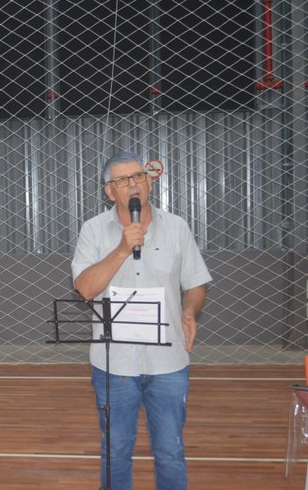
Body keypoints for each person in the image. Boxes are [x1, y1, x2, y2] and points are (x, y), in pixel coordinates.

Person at [71, 152, 212, 490]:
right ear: (109, 192)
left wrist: (189, 310)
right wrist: (122, 248)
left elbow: (195, 283)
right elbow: (86, 288)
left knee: (170, 452)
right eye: (122, 180)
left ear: (149, 182)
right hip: (114, 365)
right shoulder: (93, 230)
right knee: (115, 451)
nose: (132, 184)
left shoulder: (176, 227)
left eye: (138, 177)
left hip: (168, 362)